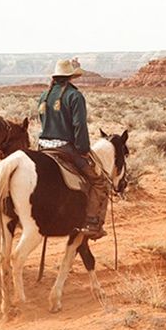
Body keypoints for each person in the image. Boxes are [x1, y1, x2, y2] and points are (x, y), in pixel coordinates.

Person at [37, 58, 108, 240]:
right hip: (65, 148)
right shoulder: (74, 96)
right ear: (70, 77)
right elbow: (79, 126)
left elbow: (42, 121)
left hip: (43, 146)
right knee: (99, 182)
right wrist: (83, 148)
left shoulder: (44, 96)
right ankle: (91, 223)